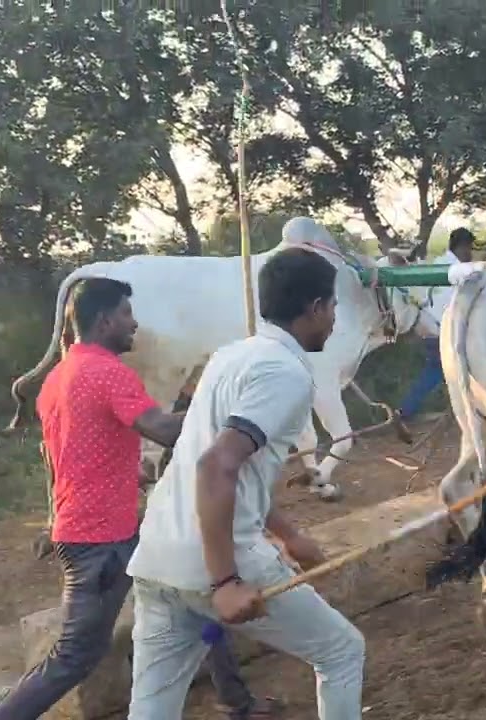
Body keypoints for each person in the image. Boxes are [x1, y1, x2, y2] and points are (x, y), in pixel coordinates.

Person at [0, 278, 276, 720]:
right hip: (100, 541)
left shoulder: (59, 377)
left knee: (196, 595)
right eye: (125, 314)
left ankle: (238, 701)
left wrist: (130, 474)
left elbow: (73, 450)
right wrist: (225, 410)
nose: (133, 324)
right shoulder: (107, 372)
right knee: (73, 658)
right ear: (104, 320)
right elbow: (161, 428)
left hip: (106, 530)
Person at [126, 247, 366, 720]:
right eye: (334, 307)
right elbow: (216, 467)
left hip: (157, 555)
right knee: (342, 652)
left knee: (152, 707)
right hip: (216, 561)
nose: (336, 319)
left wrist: (288, 532)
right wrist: (227, 581)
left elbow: (226, 465)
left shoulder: (230, 355)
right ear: (316, 308)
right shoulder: (286, 373)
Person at [397, 227, 476, 422]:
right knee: (453, 369)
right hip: (440, 328)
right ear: (462, 246)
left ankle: (407, 410)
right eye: (470, 248)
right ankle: (469, 410)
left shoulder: (440, 262)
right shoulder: (458, 270)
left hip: (429, 325)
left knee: (437, 371)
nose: (470, 253)